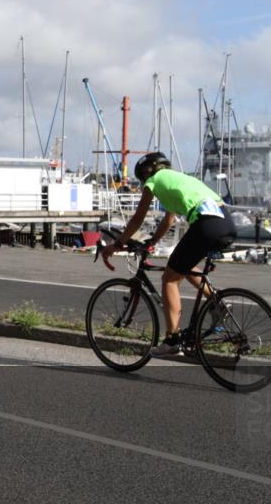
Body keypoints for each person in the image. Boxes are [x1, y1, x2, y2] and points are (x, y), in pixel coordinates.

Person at [101, 152, 236, 356]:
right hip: (226, 223)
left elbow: (138, 218)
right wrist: (153, 241)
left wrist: (118, 244)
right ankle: (218, 304)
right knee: (184, 266)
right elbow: (169, 220)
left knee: (169, 279)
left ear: (147, 173)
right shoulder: (179, 179)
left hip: (206, 225)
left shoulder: (154, 182)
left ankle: (172, 339)